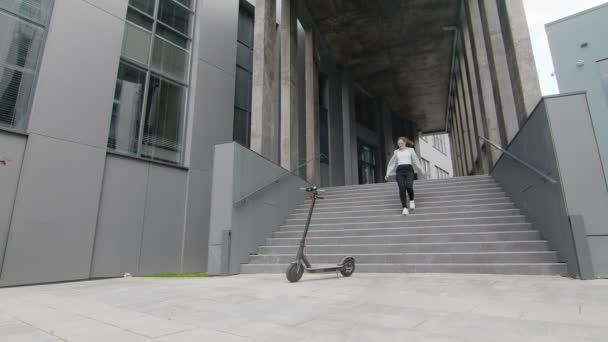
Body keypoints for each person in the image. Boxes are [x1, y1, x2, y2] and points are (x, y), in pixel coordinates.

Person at [385, 137, 426, 216]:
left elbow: (415, 160)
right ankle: (404, 208)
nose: (399, 145)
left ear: (405, 142)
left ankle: (411, 200)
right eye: (398, 143)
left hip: (409, 170)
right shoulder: (396, 152)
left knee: (409, 186)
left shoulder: (410, 150)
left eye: (401, 143)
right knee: (402, 188)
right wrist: (387, 174)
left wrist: (421, 169)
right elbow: (392, 164)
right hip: (400, 171)